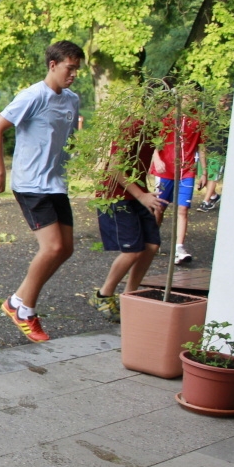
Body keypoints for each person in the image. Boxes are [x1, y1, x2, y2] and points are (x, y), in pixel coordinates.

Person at [0, 40, 84, 343]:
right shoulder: (33, 96)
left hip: (56, 183)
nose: (74, 75)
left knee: (65, 248)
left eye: (77, 70)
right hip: (31, 183)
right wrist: (0, 171)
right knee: (52, 247)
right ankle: (24, 310)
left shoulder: (72, 100)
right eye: (69, 68)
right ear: (53, 65)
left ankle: (16, 302)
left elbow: (68, 139)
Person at [89, 120, 165, 321]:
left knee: (151, 245)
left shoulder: (156, 127)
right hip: (115, 194)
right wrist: (142, 196)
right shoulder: (132, 125)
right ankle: (103, 295)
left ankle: (129, 297)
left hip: (138, 192)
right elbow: (114, 168)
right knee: (133, 250)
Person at [151, 112, 205, 266]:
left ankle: (179, 248)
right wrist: (157, 160)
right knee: (159, 208)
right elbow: (153, 142)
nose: (194, 100)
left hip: (187, 171)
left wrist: (204, 172)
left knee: (183, 209)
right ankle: (152, 241)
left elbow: (201, 146)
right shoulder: (168, 117)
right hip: (165, 171)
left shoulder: (199, 120)